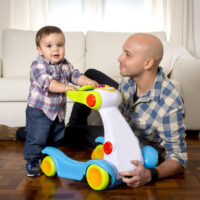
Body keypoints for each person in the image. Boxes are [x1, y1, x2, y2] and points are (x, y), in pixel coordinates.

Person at [17, 32, 188, 187]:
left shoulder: (169, 100)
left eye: (127, 54)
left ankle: (22, 132)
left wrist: (150, 174)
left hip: (133, 140)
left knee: (66, 134)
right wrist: (92, 88)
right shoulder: (129, 80)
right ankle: (60, 128)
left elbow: (178, 158)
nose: (119, 58)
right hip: (121, 127)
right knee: (91, 74)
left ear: (148, 63)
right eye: (123, 52)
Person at [24, 25, 98, 177]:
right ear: (40, 50)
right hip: (39, 110)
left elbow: (76, 75)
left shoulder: (65, 64)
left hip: (58, 111)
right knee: (37, 137)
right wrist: (66, 88)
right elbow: (48, 83)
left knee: (57, 137)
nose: (55, 50)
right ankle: (32, 159)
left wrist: (88, 81)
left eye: (60, 45)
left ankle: (49, 156)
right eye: (49, 46)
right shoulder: (37, 65)